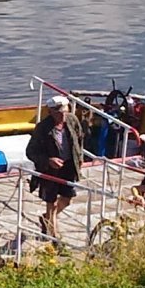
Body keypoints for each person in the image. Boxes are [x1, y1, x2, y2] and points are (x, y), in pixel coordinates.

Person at [26, 94, 83, 238]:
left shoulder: (72, 120)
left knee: (67, 198)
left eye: (64, 110)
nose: (62, 115)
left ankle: (47, 218)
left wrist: (79, 157)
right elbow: (30, 152)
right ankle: (54, 236)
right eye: (58, 112)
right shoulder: (43, 128)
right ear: (51, 112)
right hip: (50, 170)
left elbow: (79, 139)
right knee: (50, 201)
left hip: (69, 166)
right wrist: (48, 160)